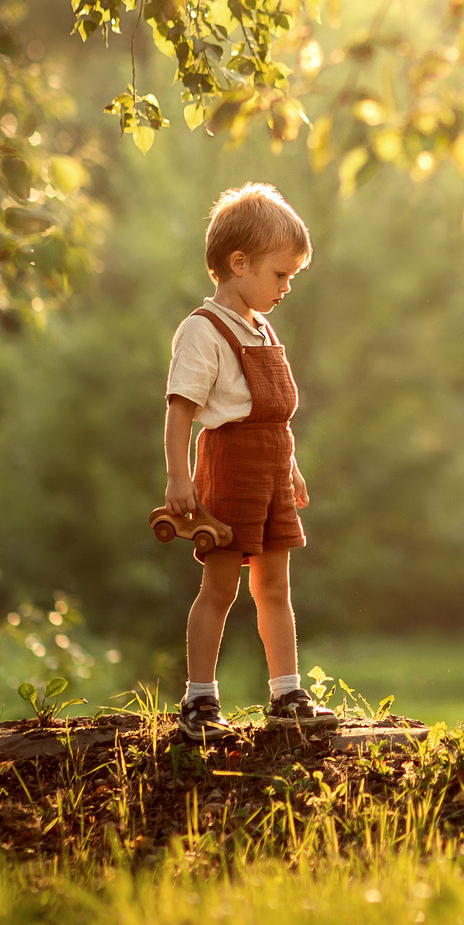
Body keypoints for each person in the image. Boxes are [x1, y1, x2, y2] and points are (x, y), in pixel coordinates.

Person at [161, 182, 337, 740]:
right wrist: (179, 478)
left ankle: (287, 694)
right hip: (231, 467)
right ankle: (199, 702)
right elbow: (180, 411)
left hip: (272, 469)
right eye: (281, 274)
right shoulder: (203, 329)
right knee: (220, 588)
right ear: (239, 263)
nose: (287, 287)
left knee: (274, 588)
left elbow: (274, 416)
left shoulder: (261, 327)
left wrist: (291, 467)